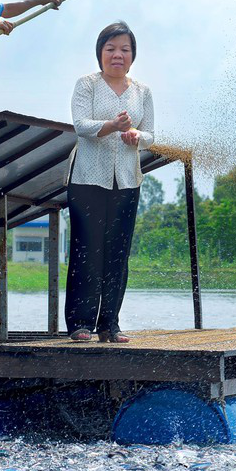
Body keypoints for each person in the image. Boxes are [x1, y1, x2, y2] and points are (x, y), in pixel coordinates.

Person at [65, 21, 154, 343]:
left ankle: (110, 325)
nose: (118, 55)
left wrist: (136, 136)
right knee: (87, 250)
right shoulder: (87, 84)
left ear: (133, 55)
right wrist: (111, 125)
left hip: (127, 180)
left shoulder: (142, 91)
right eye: (111, 49)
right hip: (88, 179)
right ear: (100, 52)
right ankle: (80, 324)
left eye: (125, 50)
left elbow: (150, 134)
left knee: (117, 253)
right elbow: (80, 125)